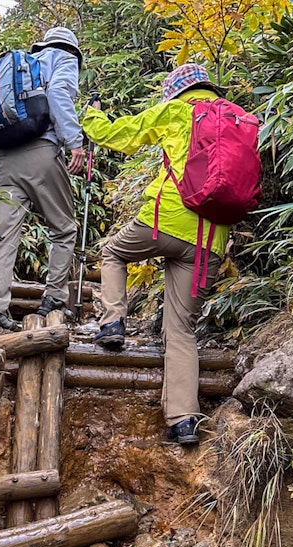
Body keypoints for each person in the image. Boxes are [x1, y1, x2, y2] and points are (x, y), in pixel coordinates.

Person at [82, 63, 231, 445]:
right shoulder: (237, 117)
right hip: (210, 238)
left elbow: (117, 135)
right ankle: (184, 420)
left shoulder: (177, 111)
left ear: (176, 92)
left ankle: (113, 322)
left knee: (113, 253)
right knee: (182, 330)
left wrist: (93, 113)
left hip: (164, 221)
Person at [0, 26, 86, 332]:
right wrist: (75, 141)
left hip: (5, 157)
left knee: (6, 233)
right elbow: (60, 93)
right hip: (40, 152)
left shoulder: (24, 64)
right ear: (72, 50)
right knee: (63, 228)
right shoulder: (63, 59)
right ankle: (54, 300)